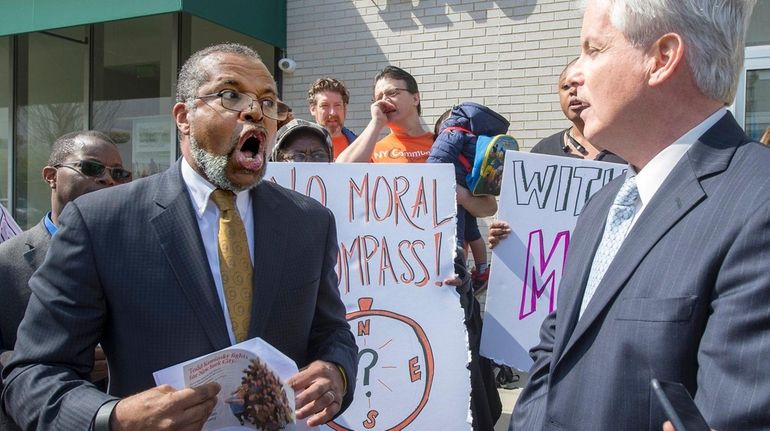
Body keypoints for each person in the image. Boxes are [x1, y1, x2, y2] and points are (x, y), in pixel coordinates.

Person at [2, 43, 358, 430]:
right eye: (231, 94)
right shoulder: (100, 223)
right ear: (183, 116)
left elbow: (331, 331)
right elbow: (34, 375)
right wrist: (114, 417)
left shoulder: (309, 222)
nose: (255, 112)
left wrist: (336, 372)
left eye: (268, 102)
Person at [503, 1, 769, 430]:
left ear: (661, 58)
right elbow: (551, 356)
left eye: (594, 49)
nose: (574, 74)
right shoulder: (602, 204)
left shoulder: (757, 203)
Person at [0, 130, 127, 430]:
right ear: (51, 176)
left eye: (119, 173)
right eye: (92, 168)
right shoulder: (6, 262)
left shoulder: (138, 258)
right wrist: (31, 361)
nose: (108, 179)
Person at [530, 58, 624, 163]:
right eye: (565, 87)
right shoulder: (543, 151)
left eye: (582, 84)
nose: (573, 90)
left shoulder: (634, 150)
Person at [307, 77, 357, 160]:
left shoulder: (360, 146)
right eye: (324, 105)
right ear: (313, 109)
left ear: (345, 108)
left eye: (337, 105)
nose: (332, 112)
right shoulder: (298, 147)